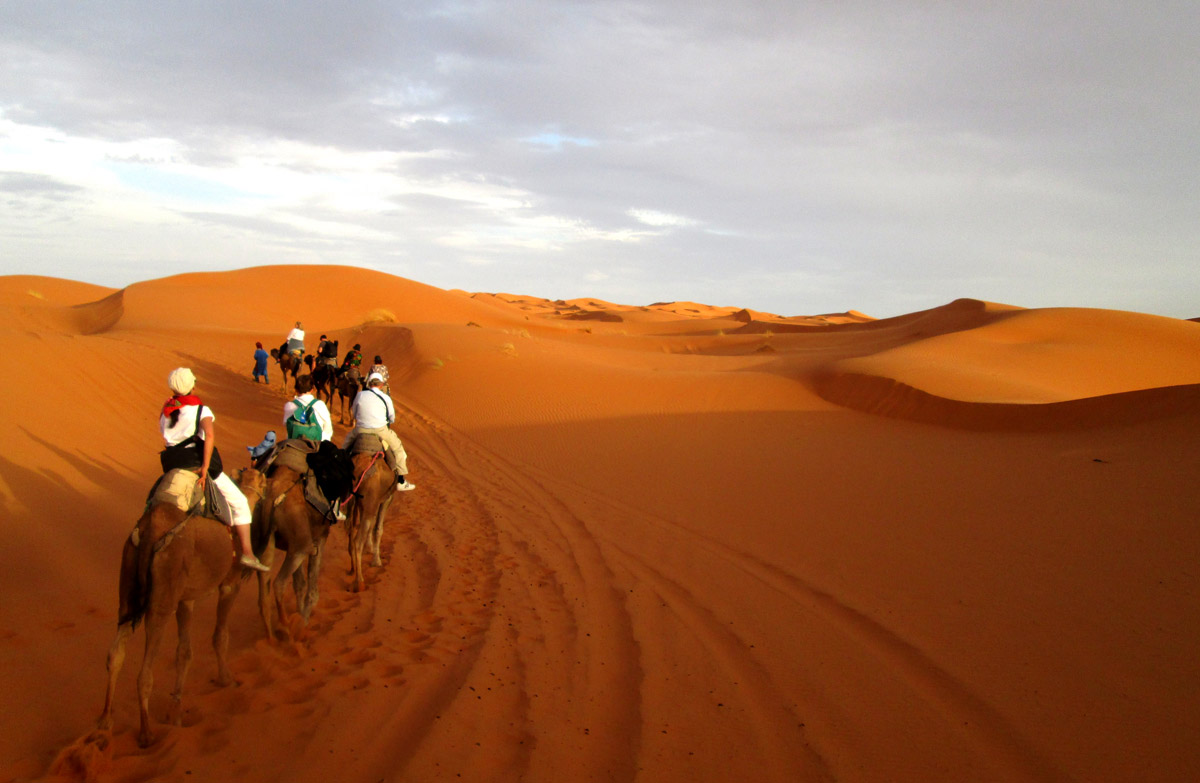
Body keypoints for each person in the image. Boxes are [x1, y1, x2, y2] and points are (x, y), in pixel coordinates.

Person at [159, 368, 269, 572]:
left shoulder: (166, 410)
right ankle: (247, 553)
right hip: (196, 463)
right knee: (241, 504)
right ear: (192, 386)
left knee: (154, 499)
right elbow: (209, 436)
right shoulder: (201, 410)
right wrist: (205, 468)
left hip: (171, 465)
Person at [343, 373, 415, 491]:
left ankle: (340, 467)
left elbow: (354, 412)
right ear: (381, 385)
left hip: (360, 429)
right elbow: (391, 417)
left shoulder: (360, 395)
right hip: (381, 430)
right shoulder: (385, 397)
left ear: (369, 384)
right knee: (398, 450)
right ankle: (401, 481)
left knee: (345, 446)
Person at [282, 375, 334, 442]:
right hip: (316, 446)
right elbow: (328, 429)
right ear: (312, 389)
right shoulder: (320, 404)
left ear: (296, 389)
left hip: (294, 445)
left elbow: (286, 424)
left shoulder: (289, 405)